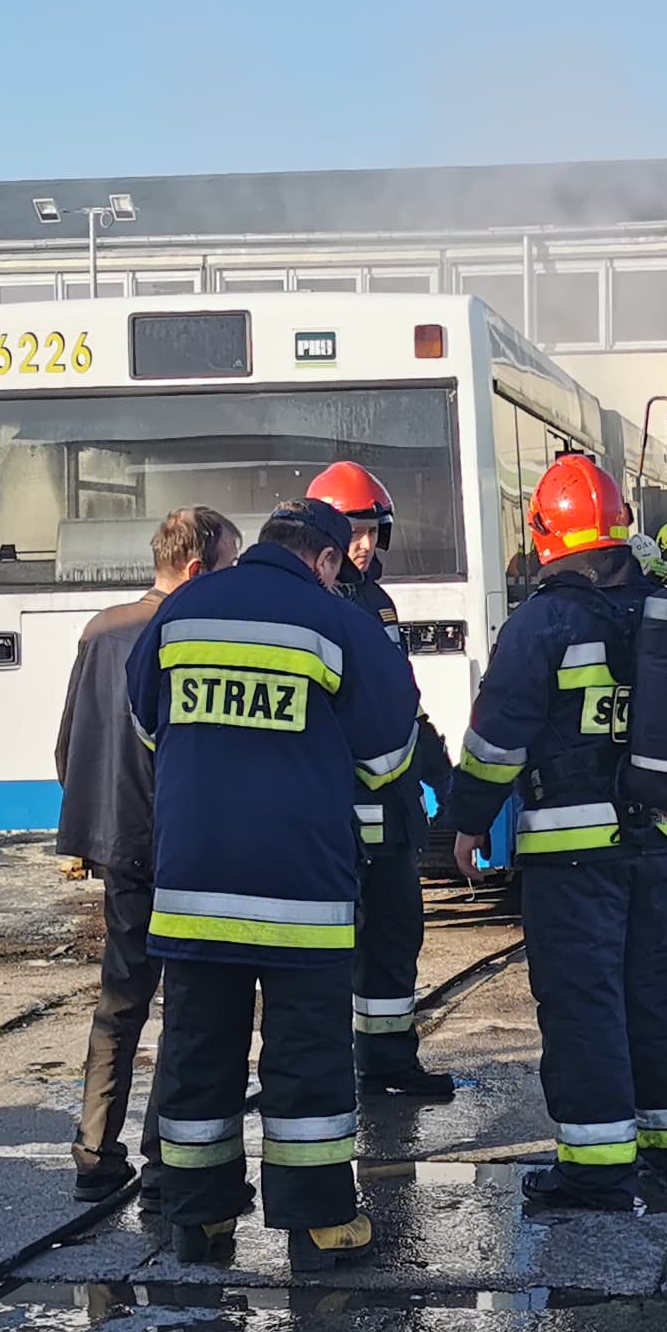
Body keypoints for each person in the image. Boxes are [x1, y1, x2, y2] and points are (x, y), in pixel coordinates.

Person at [126, 498, 420, 1271]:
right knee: (307, 1058)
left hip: (193, 888)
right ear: (324, 560)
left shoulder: (182, 610)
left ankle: (199, 1220)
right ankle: (317, 1225)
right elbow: (389, 755)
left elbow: (145, 721)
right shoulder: (339, 623)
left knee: (197, 1053)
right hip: (300, 893)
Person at [446, 453, 667, 1217]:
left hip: (571, 857)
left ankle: (595, 1174)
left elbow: (496, 741)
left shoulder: (543, 623)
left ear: (545, 534)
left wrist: (468, 820)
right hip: (660, 846)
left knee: (583, 1004)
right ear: (621, 528)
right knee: (657, 997)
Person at [54, 506, 242, 1204]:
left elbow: (67, 746)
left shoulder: (100, 630)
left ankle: (95, 1151)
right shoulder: (196, 635)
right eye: (228, 568)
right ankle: (168, 1160)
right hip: (183, 846)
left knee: (120, 1001)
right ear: (195, 569)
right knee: (187, 1007)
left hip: (121, 846)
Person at [303, 462, 459, 1098]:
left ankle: (389, 1062)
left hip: (392, 814)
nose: (364, 545)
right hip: (337, 815)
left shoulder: (378, 603)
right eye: (353, 533)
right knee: (333, 950)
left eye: (372, 531)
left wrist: (438, 766)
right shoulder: (311, 607)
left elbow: (401, 699)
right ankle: (325, 1070)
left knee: (396, 938)